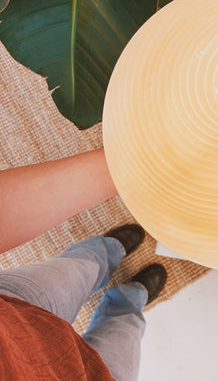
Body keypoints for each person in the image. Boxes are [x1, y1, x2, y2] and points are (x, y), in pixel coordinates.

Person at [0, 149, 165, 380]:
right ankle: (131, 300)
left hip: (13, 318)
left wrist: (126, 159)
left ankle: (108, 251)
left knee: (77, 271)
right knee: (125, 333)